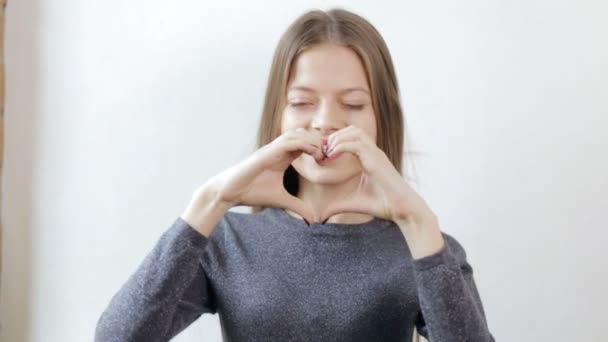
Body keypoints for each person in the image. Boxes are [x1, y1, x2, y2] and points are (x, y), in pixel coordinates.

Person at [95, 8, 495, 342]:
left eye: (353, 104)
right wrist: (210, 201)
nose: (326, 122)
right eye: (303, 102)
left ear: (381, 120)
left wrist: (418, 222)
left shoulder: (423, 247)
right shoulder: (228, 242)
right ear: (279, 116)